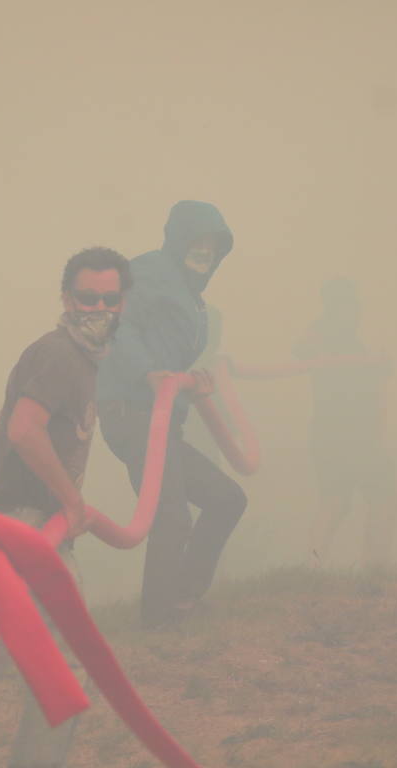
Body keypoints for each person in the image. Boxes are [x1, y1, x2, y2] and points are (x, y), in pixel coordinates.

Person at [0, 246, 131, 768]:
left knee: (56, 660)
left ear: (124, 303)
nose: (97, 308)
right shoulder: (60, 353)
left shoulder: (79, 362)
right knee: (66, 664)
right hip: (28, 524)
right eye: (85, 297)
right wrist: (70, 501)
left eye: (109, 299)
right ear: (66, 299)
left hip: (27, 523)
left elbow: (0, 426)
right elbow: (20, 430)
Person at [96, 201, 247, 628]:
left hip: (164, 422)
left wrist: (190, 381)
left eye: (213, 245)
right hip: (133, 415)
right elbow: (118, 325)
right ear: (177, 240)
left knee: (226, 499)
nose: (205, 252)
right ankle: (159, 623)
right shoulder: (149, 273)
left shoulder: (189, 295)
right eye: (196, 242)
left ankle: (182, 598)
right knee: (172, 515)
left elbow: (167, 353)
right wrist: (146, 372)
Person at [292, 277, 397, 571]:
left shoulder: (350, 339)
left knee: (340, 500)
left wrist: (378, 368)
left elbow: (361, 381)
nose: (358, 310)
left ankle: (323, 568)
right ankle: (372, 569)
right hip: (343, 433)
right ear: (337, 306)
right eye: (351, 303)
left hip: (350, 433)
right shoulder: (323, 333)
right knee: (375, 496)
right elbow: (301, 350)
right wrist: (364, 364)